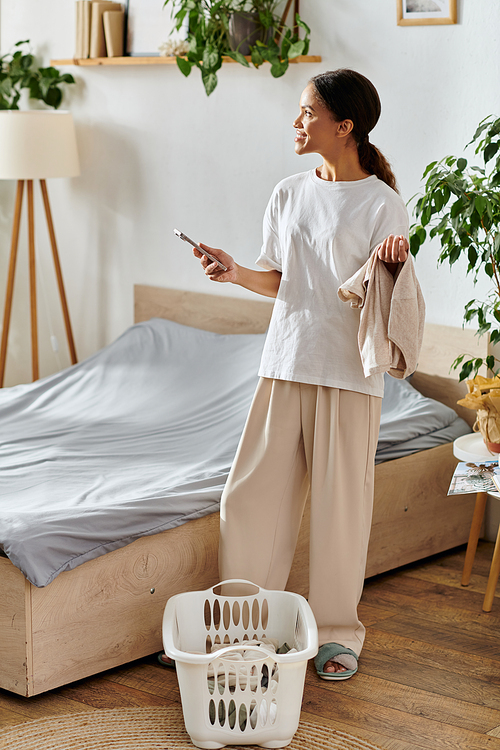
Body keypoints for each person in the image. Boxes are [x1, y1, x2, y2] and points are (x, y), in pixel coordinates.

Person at [192, 69, 411, 680]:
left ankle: (338, 634)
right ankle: (241, 627)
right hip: (284, 360)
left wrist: (390, 263)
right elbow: (281, 280)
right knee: (249, 499)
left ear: (344, 127)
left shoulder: (382, 203)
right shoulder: (288, 192)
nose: (296, 121)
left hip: (347, 373)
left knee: (341, 511)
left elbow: (387, 299)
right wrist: (235, 271)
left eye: (307, 112)